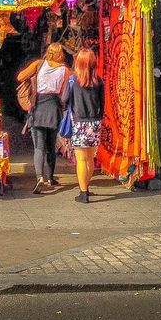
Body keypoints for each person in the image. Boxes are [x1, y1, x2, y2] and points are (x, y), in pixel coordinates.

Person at [18, 42, 69, 194]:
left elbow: (20, 77)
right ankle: (50, 177)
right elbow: (64, 93)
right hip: (54, 107)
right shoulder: (65, 71)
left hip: (38, 106)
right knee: (51, 146)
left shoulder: (39, 64)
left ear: (48, 52)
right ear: (61, 54)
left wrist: (34, 77)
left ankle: (40, 177)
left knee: (39, 147)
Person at [69, 46, 104, 204]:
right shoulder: (98, 81)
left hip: (79, 123)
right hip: (95, 122)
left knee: (81, 160)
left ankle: (83, 193)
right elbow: (102, 104)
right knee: (90, 158)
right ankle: (86, 187)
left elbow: (64, 99)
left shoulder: (73, 80)